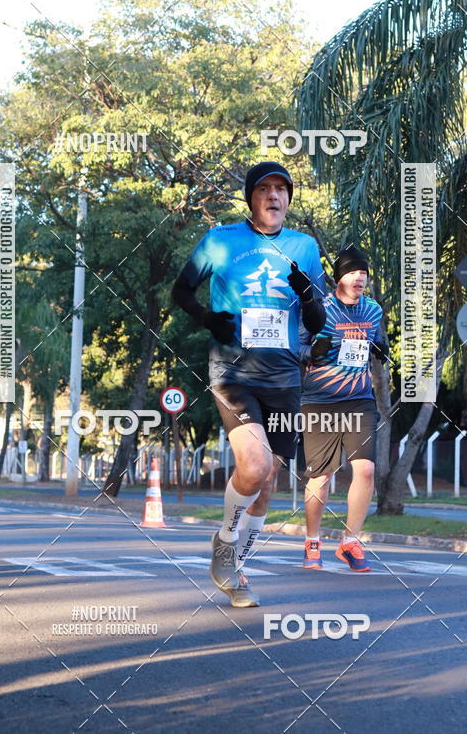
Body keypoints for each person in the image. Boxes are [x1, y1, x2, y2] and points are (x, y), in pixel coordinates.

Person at [171, 161, 326, 607]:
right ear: (251, 198)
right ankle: (224, 540)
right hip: (233, 372)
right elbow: (181, 291)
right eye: (265, 190)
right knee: (254, 465)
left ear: (289, 199)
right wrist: (206, 319)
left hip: (284, 378)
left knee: (270, 479)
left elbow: (316, 322)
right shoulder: (220, 241)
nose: (274, 197)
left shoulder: (305, 247)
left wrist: (308, 294)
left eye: (282, 190)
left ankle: (236, 566)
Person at [299, 245, 386, 572]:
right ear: (339, 277)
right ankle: (312, 541)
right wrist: (312, 351)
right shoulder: (318, 310)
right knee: (320, 476)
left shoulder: (373, 311)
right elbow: (295, 348)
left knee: (365, 469)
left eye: (363, 272)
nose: (359, 277)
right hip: (320, 399)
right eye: (352, 271)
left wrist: (379, 348)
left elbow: (374, 341)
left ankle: (350, 541)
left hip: (360, 398)